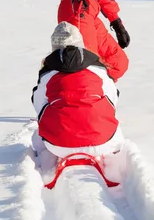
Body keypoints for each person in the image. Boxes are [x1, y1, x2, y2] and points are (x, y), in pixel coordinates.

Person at [31, 21, 124, 176]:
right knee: (114, 123)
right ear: (81, 44)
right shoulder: (97, 69)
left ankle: (44, 157)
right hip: (102, 142)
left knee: (38, 131)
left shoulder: (48, 72)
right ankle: (116, 155)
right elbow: (113, 99)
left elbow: (38, 105)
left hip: (58, 146)